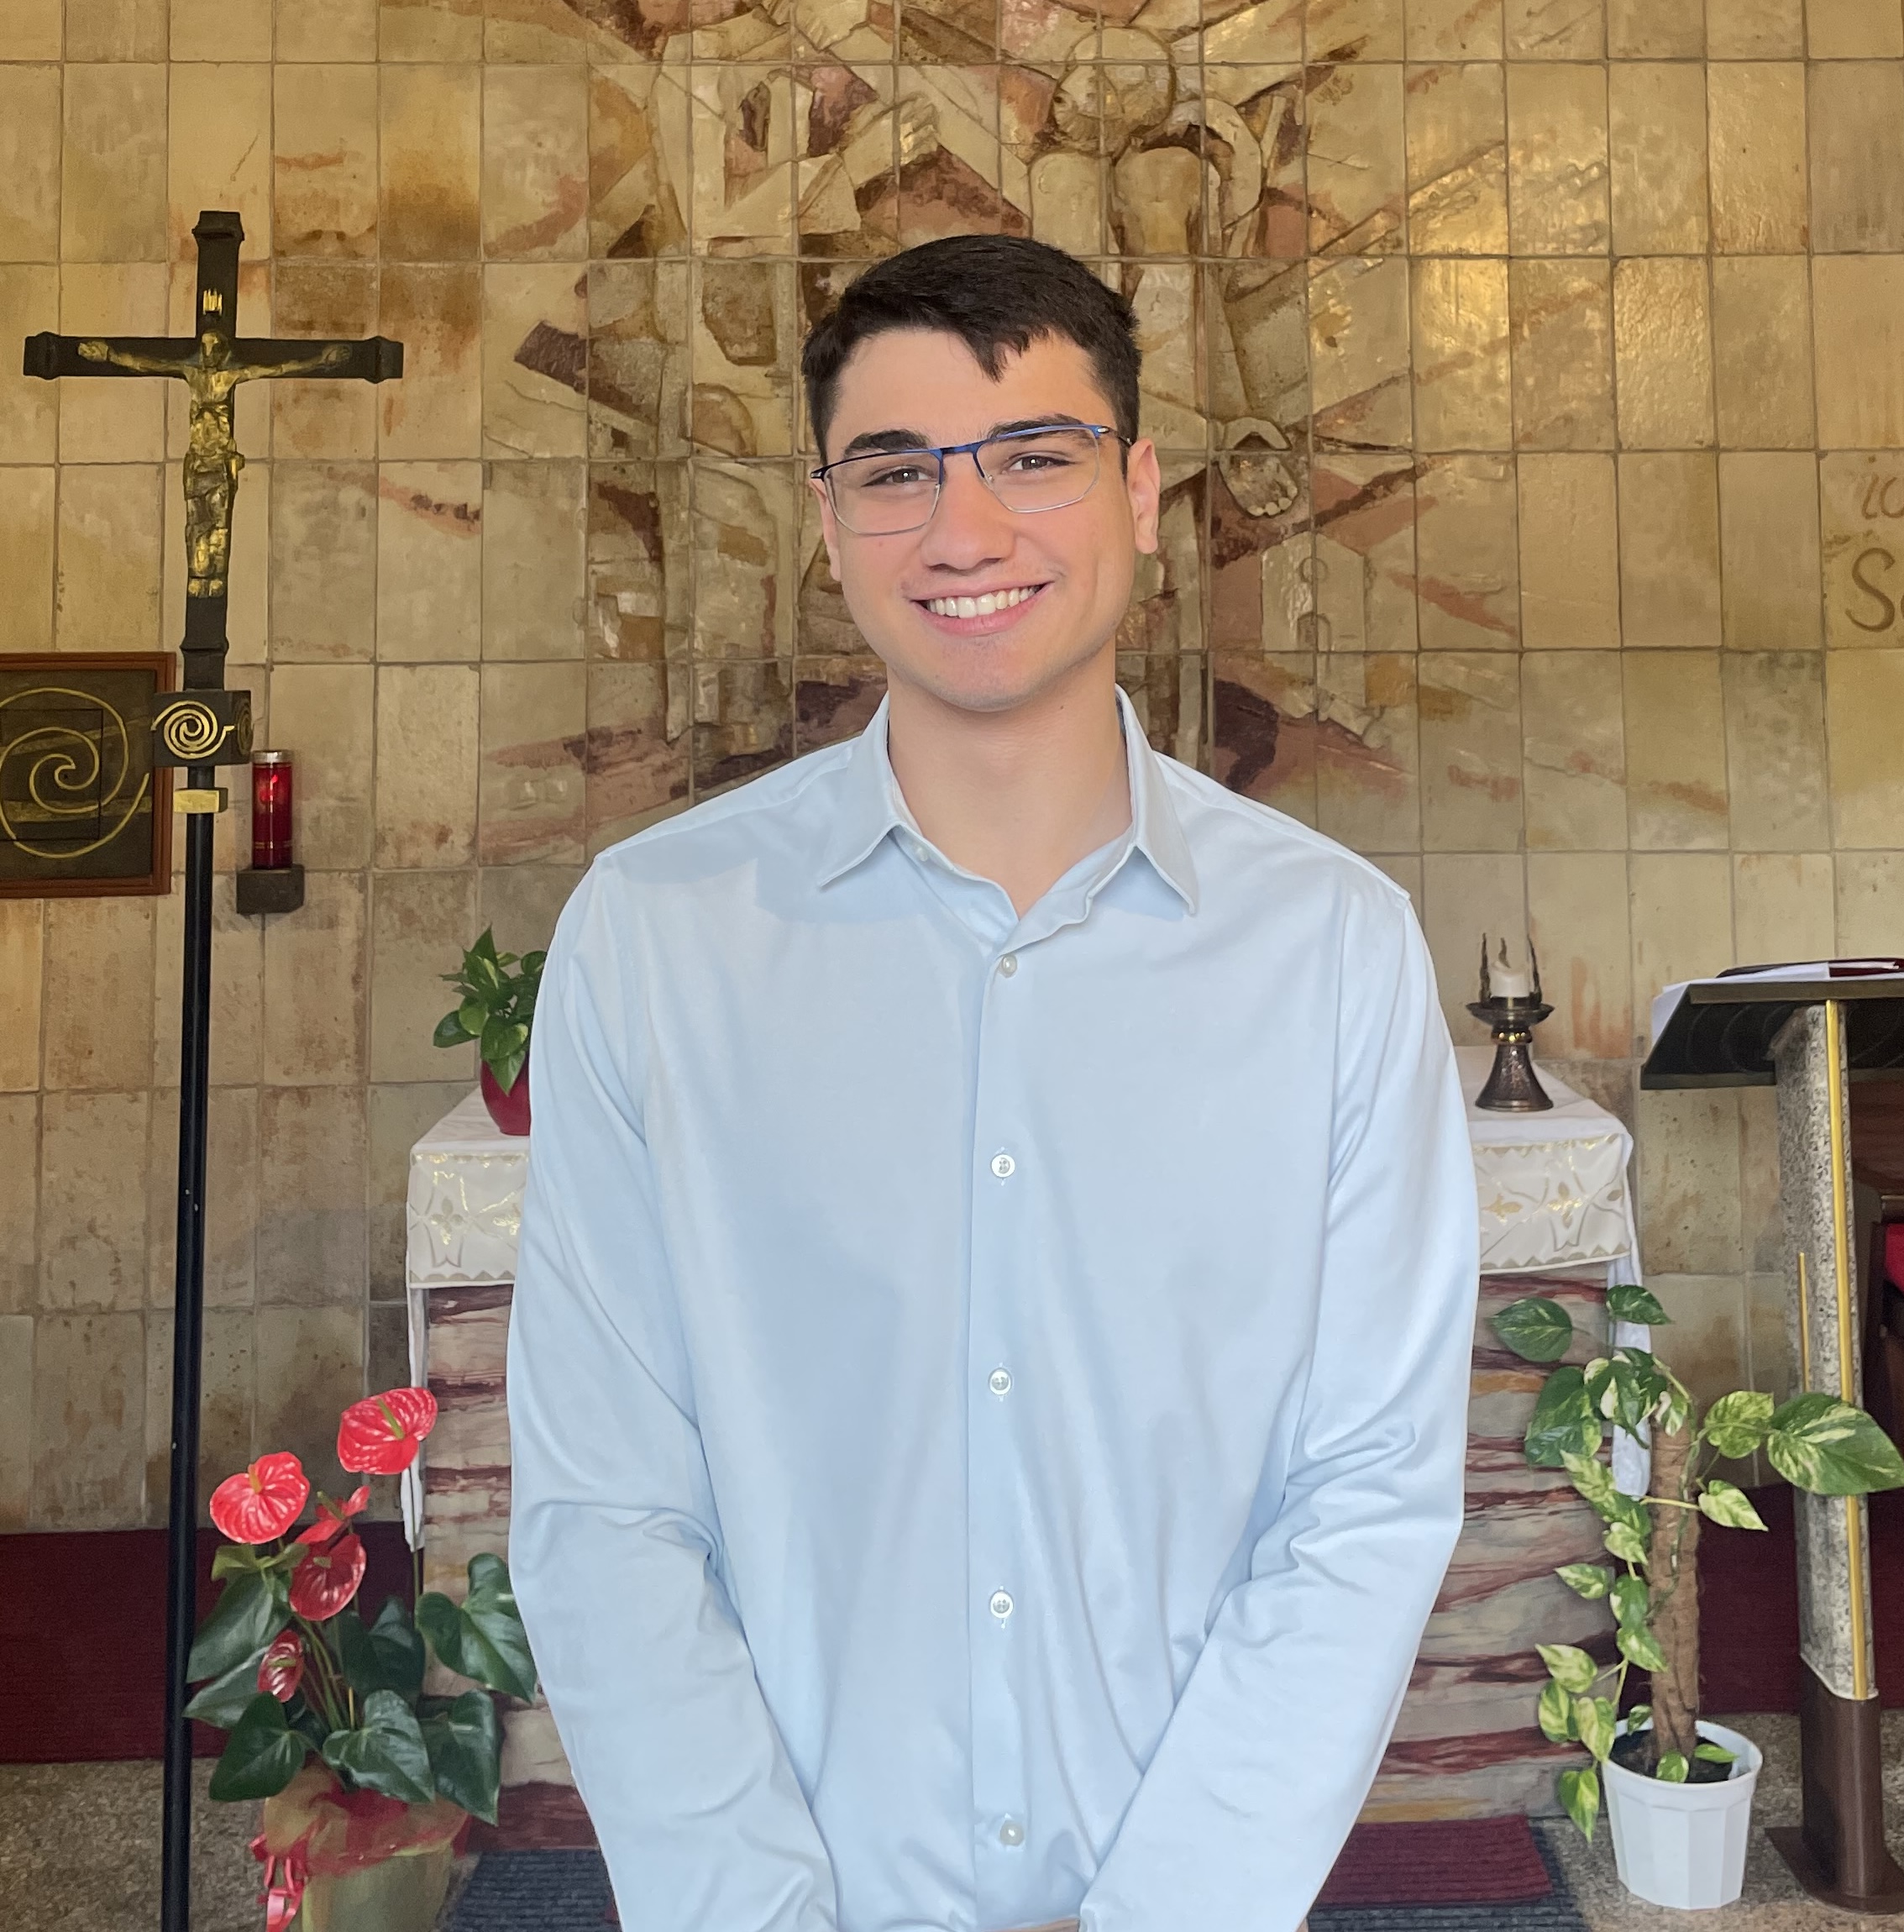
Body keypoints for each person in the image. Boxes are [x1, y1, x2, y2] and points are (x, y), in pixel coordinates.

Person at [507, 234, 1480, 1932]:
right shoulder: (655, 942)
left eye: (1032, 455)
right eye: (895, 472)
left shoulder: (1330, 951)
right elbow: (607, 1509)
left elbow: (1364, 1495)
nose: (963, 532)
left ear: (1142, 493)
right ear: (827, 523)